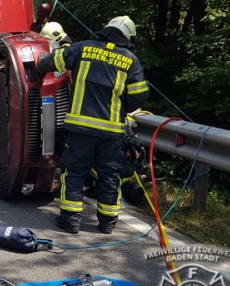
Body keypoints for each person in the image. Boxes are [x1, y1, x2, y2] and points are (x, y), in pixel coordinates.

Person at [37, 16, 150, 234]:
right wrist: (121, 109)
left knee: (75, 172)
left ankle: (71, 220)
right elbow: (139, 95)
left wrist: (38, 71)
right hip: (111, 132)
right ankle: (107, 223)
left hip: (80, 129)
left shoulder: (82, 49)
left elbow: (49, 62)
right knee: (109, 175)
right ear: (126, 37)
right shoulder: (130, 60)